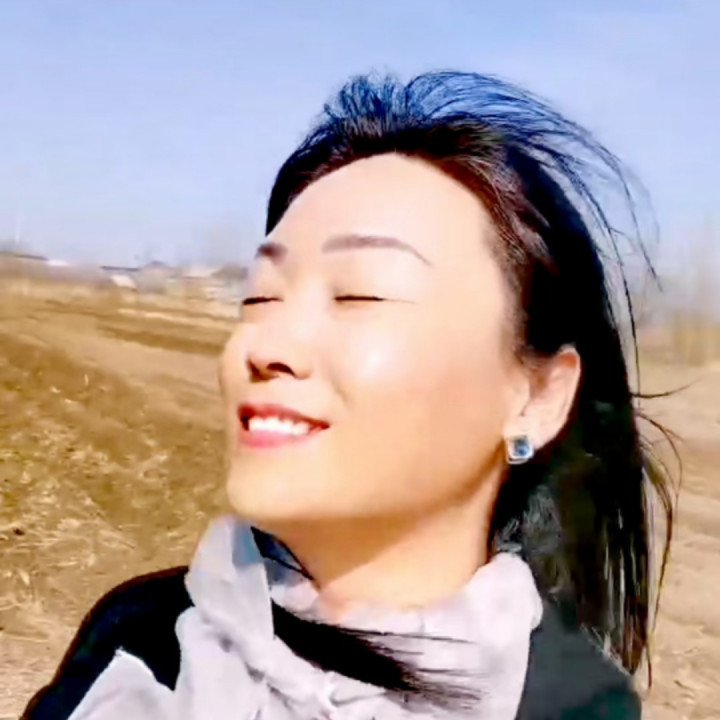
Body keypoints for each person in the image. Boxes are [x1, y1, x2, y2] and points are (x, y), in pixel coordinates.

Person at [22, 71, 674, 720]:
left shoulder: (575, 707)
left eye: (359, 293)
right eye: (260, 297)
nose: (267, 345)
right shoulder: (138, 640)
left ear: (536, 396)